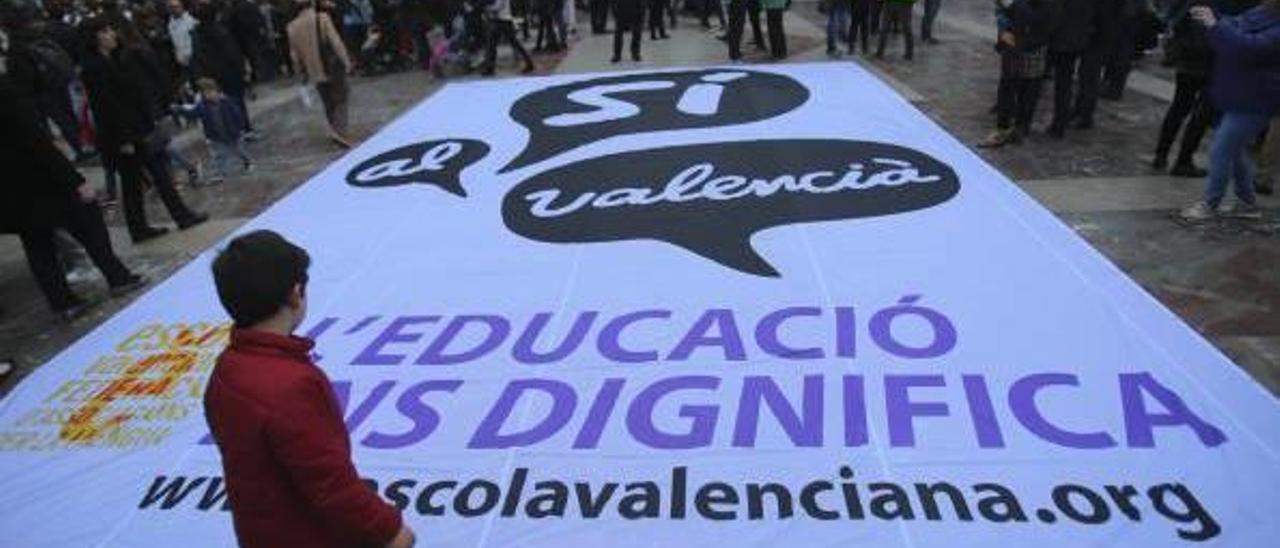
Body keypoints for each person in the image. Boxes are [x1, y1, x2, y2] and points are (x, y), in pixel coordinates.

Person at [204, 230, 416, 548]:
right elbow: (329, 482)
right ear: (295, 293)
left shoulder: (227, 368)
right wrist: (389, 531)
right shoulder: (290, 386)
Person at [1, 63, 147, 320]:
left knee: (37, 242)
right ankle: (116, 276)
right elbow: (35, 140)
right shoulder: (5, 92)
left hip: (11, 191)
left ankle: (62, 302)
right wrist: (74, 180)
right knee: (86, 218)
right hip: (38, 180)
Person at [79, 18, 207, 243]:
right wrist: (124, 139)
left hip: (133, 128)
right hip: (123, 134)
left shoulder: (113, 59)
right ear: (95, 37)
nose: (112, 34)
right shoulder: (94, 67)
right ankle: (167, 220)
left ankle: (154, 223)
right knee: (143, 178)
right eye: (106, 31)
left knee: (145, 178)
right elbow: (106, 106)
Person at [1179, 0, 1280, 221]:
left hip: (1258, 98)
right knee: (1233, 150)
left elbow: (1249, 47)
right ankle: (1247, 202)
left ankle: (1210, 203)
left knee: (1220, 149)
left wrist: (1215, 25)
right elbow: (1237, 24)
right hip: (1240, 92)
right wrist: (1213, 16)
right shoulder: (1265, 10)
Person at [978, 0, 1059, 148]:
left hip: (1030, 47)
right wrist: (1004, 33)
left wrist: (1015, 40)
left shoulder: (1049, 5)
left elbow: (1046, 25)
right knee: (1009, 89)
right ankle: (1004, 128)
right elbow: (1006, 14)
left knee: (1027, 92)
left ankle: (1018, 129)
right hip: (1016, 46)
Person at [1153, 0, 1214, 177]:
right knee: (1201, 113)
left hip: (1187, 57)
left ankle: (1161, 154)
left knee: (1179, 107)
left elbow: (1173, 15)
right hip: (1209, 59)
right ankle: (1183, 160)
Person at [288, 0, 355, 146]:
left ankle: (334, 128)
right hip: (331, 66)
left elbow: (294, 55)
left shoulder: (292, 27)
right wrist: (346, 60)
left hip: (313, 69)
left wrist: (300, 73)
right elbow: (335, 42)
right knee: (341, 98)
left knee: (328, 101)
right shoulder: (322, 18)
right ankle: (340, 131)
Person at [178, 77, 253, 183]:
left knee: (238, 150)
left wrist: (240, 127)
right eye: (206, 93)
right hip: (216, 136)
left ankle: (247, 161)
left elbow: (237, 115)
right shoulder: (203, 106)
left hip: (231, 133)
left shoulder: (226, 102)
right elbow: (194, 112)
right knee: (219, 155)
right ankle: (221, 173)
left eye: (211, 92)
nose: (209, 95)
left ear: (216, 90)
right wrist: (181, 110)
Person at [1045, 0, 1098, 138]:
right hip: (1076, 38)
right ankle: (1059, 123)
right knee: (1064, 83)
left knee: (1057, 82)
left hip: (1059, 37)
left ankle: (1056, 123)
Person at [479, 0, 536, 74]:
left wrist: (486, 8)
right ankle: (490, 67)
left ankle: (529, 63)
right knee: (492, 44)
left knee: (514, 43)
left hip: (504, 21)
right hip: (497, 20)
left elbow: (498, 6)